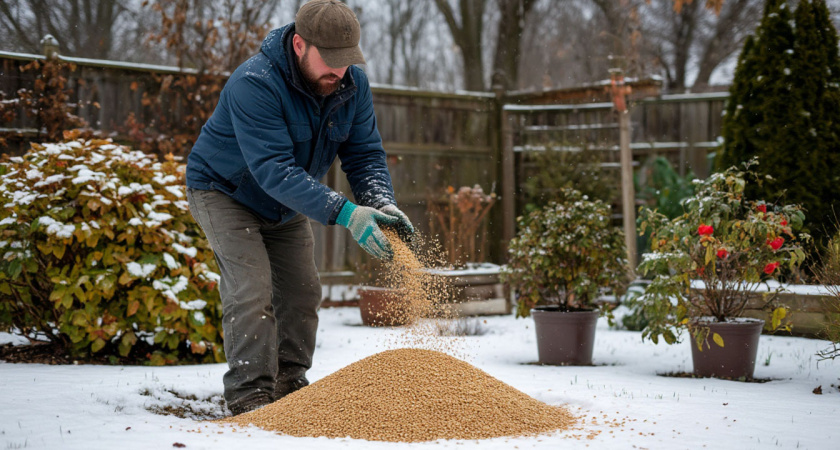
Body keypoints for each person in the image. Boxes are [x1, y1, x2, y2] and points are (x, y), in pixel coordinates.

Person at [185, 0, 414, 416]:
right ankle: (249, 395)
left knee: (303, 290)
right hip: (225, 191)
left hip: (285, 199)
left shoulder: (352, 86)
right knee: (251, 288)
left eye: (347, 62)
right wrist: (345, 213)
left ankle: (290, 383)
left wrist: (380, 202)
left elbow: (363, 154)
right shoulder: (254, 82)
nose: (339, 72)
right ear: (298, 45)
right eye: (329, 60)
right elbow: (273, 168)